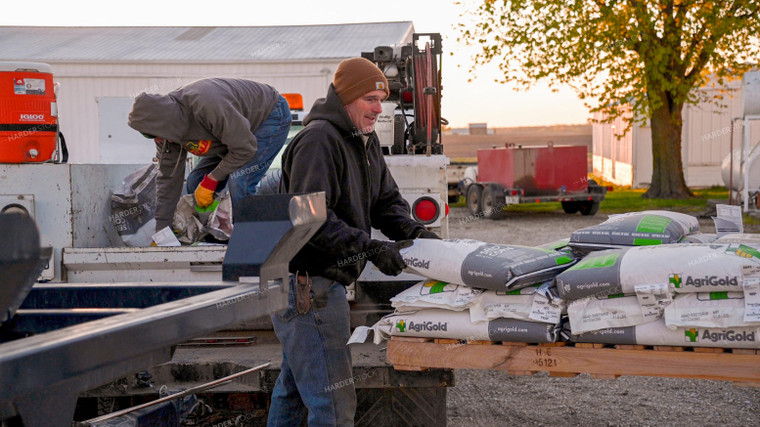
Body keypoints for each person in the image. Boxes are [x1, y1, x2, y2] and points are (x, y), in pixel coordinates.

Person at [271, 57, 440, 426]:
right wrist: (369, 247)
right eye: (370, 99)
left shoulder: (364, 139)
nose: (379, 108)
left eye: (382, 99)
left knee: (296, 390)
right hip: (305, 287)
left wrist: (415, 233)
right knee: (333, 404)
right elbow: (309, 218)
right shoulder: (318, 140)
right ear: (346, 98)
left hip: (318, 284)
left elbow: (385, 202)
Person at [128, 78, 291, 232]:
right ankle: (213, 230)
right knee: (195, 182)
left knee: (239, 181)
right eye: (148, 135)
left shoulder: (207, 105)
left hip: (268, 115)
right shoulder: (166, 135)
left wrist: (213, 179)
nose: (155, 139)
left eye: (150, 134)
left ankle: (249, 241)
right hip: (232, 135)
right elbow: (168, 180)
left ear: (162, 122)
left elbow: (245, 148)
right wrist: (162, 230)